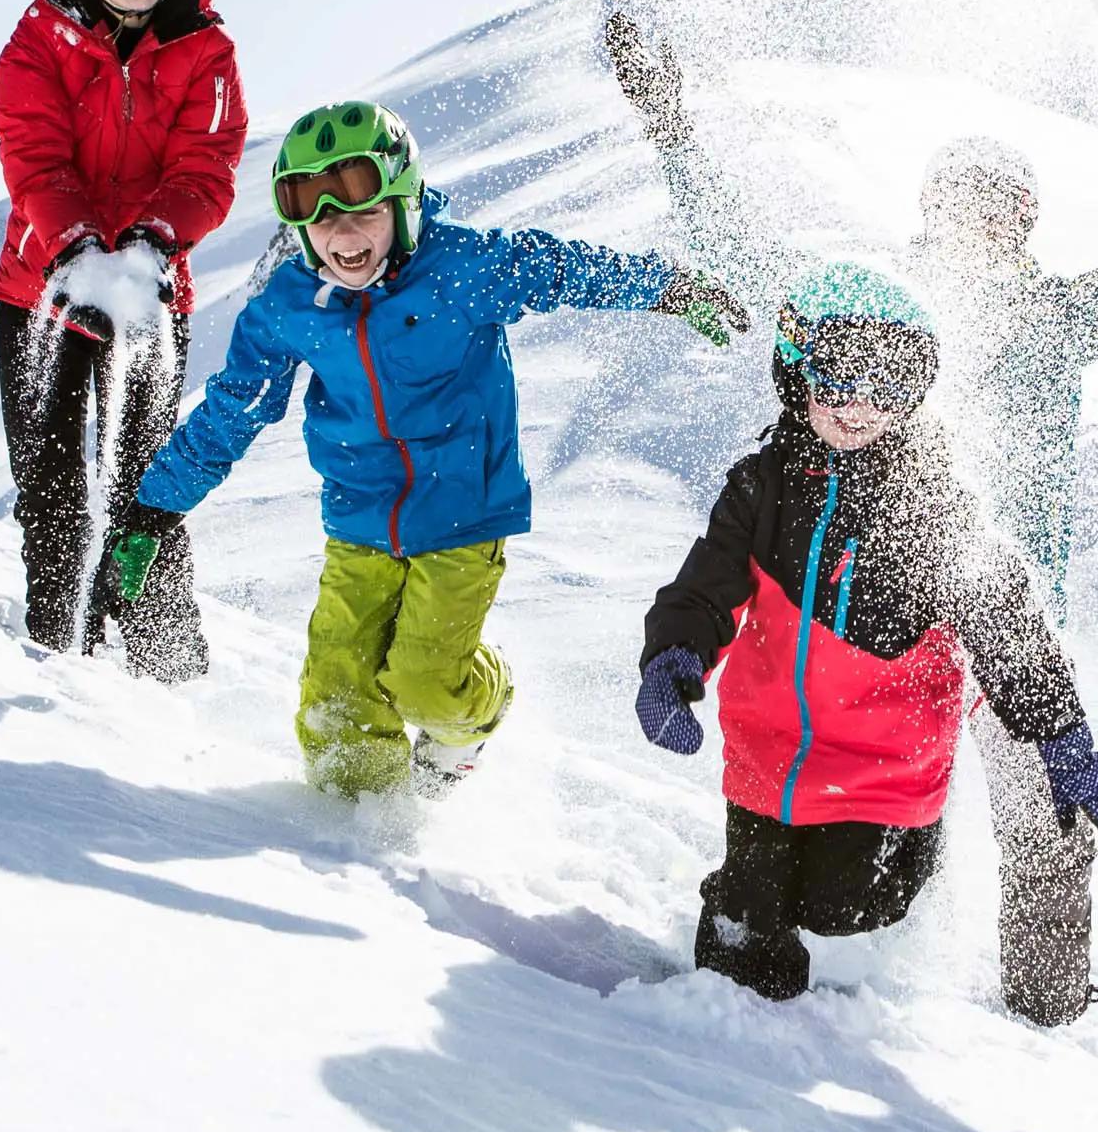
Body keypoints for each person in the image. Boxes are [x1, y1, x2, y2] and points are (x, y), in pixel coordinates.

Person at [604, 9, 1098, 1020]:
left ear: (1023, 222)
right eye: (956, 201)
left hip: (1011, 620)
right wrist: (671, 128)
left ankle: (1046, 1015)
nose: (975, 220)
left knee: (1050, 821)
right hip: (890, 630)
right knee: (851, 827)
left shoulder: (1063, 314)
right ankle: (827, 985)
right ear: (928, 213)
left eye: (996, 205)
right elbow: (743, 255)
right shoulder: (874, 320)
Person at [113, 99, 744, 796]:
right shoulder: (287, 307)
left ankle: (484, 702)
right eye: (319, 218)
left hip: (463, 511)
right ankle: (353, 836)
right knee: (337, 697)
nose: (343, 234)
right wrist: (155, 506)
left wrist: (671, 289)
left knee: (425, 685)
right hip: (359, 518)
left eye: (364, 210)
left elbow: (559, 269)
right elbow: (236, 408)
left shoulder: (462, 267)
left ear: (406, 202)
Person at [632, 262, 1098, 1003]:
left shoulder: (931, 503)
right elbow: (704, 588)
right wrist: (674, 656)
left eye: (888, 384)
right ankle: (728, 1025)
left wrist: (1060, 732)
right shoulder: (758, 485)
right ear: (794, 367)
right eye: (837, 379)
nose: (859, 407)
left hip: (883, 773)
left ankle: (913, 878)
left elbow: (1004, 618)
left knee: (842, 907)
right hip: (767, 758)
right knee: (748, 921)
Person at [0, 0, 245, 679]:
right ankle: (61, 654)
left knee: (148, 486)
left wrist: (148, 244)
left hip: (147, 299)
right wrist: (77, 250)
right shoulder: (39, 39)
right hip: (44, 293)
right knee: (53, 482)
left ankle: (166, 662)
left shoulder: (207, 51)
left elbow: (208, 168)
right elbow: (34, 159)